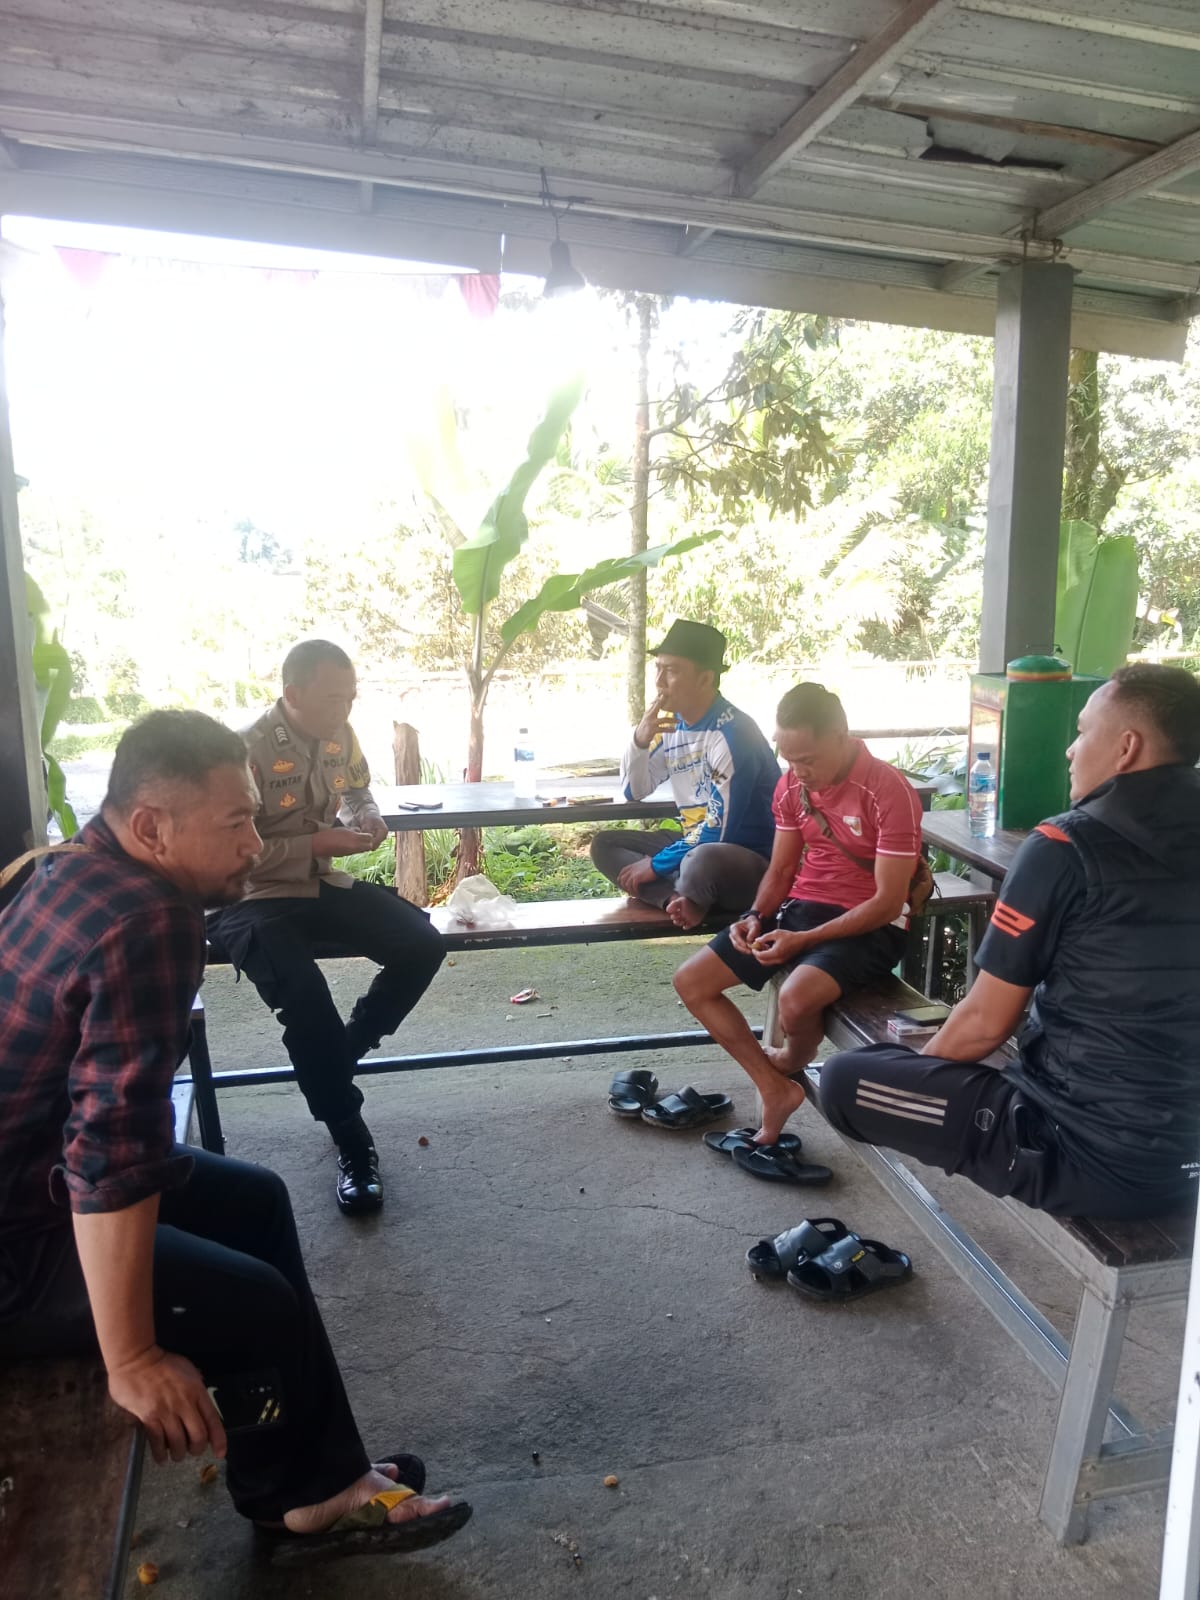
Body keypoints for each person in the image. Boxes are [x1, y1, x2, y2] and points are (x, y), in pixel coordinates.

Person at [0, 710, 470, 1559]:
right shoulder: (149, 919)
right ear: (152, 826)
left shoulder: (70, 864)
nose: (255, 845)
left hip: (33, 1172)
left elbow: (103, 1133)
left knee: (255, 1199)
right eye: (235, 823)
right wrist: (132, 1357)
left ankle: (312, 1474)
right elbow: (111, 1155)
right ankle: (304, 1500)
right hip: (18, 1237)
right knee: (253, 1303)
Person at [816, 664, 1200, 1221]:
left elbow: (984, 1026)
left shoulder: (1064, 847)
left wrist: (924, 1076)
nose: (1070, 749)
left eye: (1083, 731)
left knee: (843, 1080)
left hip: (1096, 1158)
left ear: (1126, 747)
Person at [208, 640, 444, 1216]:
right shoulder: (242, 751)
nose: (344, 709)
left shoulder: (340, 733)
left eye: (350, 697)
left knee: (421, 943)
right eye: (333, 698)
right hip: (249, 897)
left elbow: (355, 785)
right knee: (306, 1001)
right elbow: (222, 852)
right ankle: (353, 1142)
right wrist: (315, 843)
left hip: (318, 882)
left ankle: (342, 1054)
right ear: (293, 694)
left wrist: (367, 814)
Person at [674, 682, 922, 1146]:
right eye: (789, 759)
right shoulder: (791, 786)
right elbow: (783, 869)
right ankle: (775, 1087)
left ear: (841, 736)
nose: (798, 771)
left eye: (807, 759)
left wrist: (803, 941)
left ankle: (790, 1060)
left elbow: (890, 901)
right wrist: (755, 914)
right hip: (802, 908)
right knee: (692, 982)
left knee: (796, 997)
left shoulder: (887, 790)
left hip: (871, 923)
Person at [590, 619, 779, 929]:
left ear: (705, 679)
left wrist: (656, 865)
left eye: (672, 671)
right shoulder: (672, 727)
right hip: (693, 845)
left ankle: (687, 890)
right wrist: (640, 739)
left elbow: (719, 831)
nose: (660, 682)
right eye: (658, 669)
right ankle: (676, 900)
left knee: (700, 859)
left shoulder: (733, 734)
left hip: (742, 861)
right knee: (605, 845)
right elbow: (634, 790)